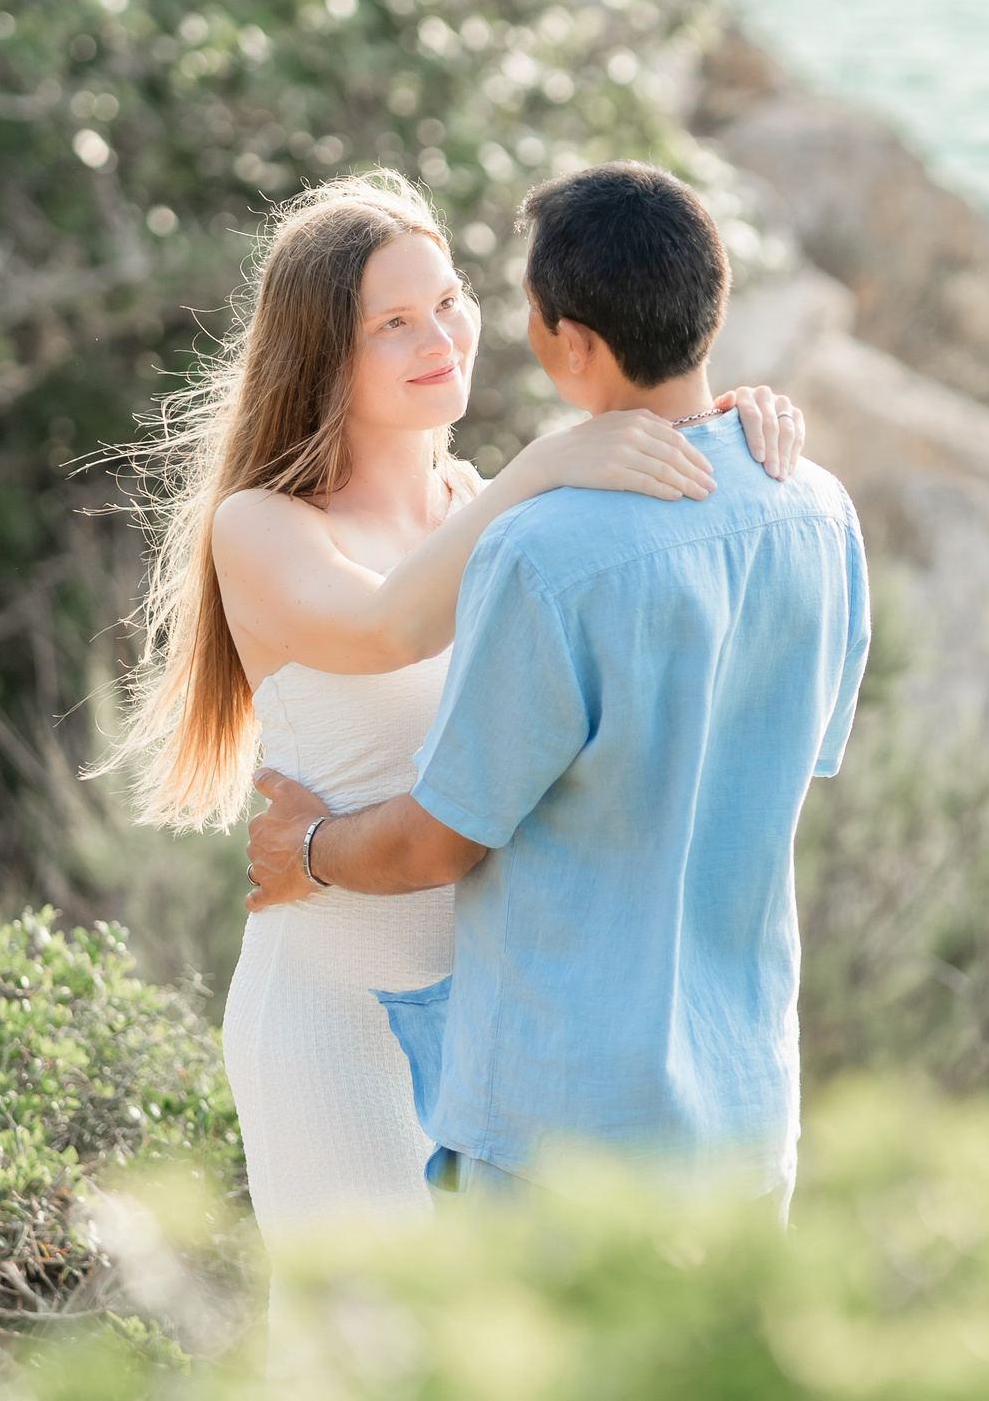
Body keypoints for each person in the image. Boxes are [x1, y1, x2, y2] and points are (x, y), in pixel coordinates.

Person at [101, 169, 809, 1240]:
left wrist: (725, 420)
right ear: (323, 352)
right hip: (333, 1015)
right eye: (393, 322)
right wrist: (546, 466)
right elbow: (388, 625)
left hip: (490, 1030)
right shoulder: (265, 524)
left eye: (447, 301)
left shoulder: (475, 499)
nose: (440, 337)